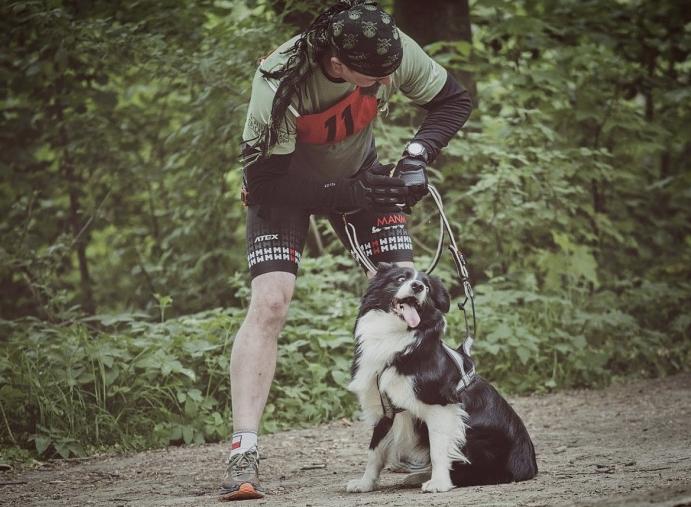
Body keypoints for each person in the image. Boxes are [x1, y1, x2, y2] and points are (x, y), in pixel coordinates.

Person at [220, 0, 472, 500]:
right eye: (374, 79)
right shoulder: (279, 81)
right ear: (336, 63)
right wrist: (343, 193)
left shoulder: (387, 48)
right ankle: (243, 451)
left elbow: (453, 100)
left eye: (390, 73)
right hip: (283, 187)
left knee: (407, 291)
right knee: (271, 301)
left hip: (360, 177)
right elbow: (265, 182)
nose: (387, 83)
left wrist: (417, 156)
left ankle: (411, 438)